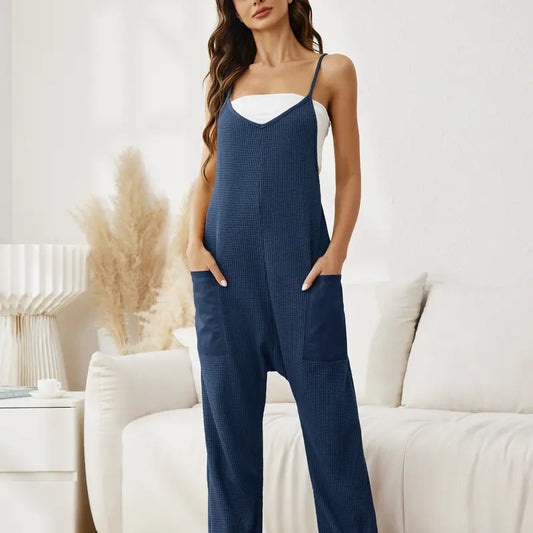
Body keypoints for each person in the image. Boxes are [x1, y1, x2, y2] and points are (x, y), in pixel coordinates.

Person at [187, 1, 378, 531]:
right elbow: (208, 172)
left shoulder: (332, 71)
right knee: (230, 451)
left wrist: (337, 254)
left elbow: (348, 174)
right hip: (224, 283)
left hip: (306, 280)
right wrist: (192, 247)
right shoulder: (229, 79)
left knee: (334, 439)